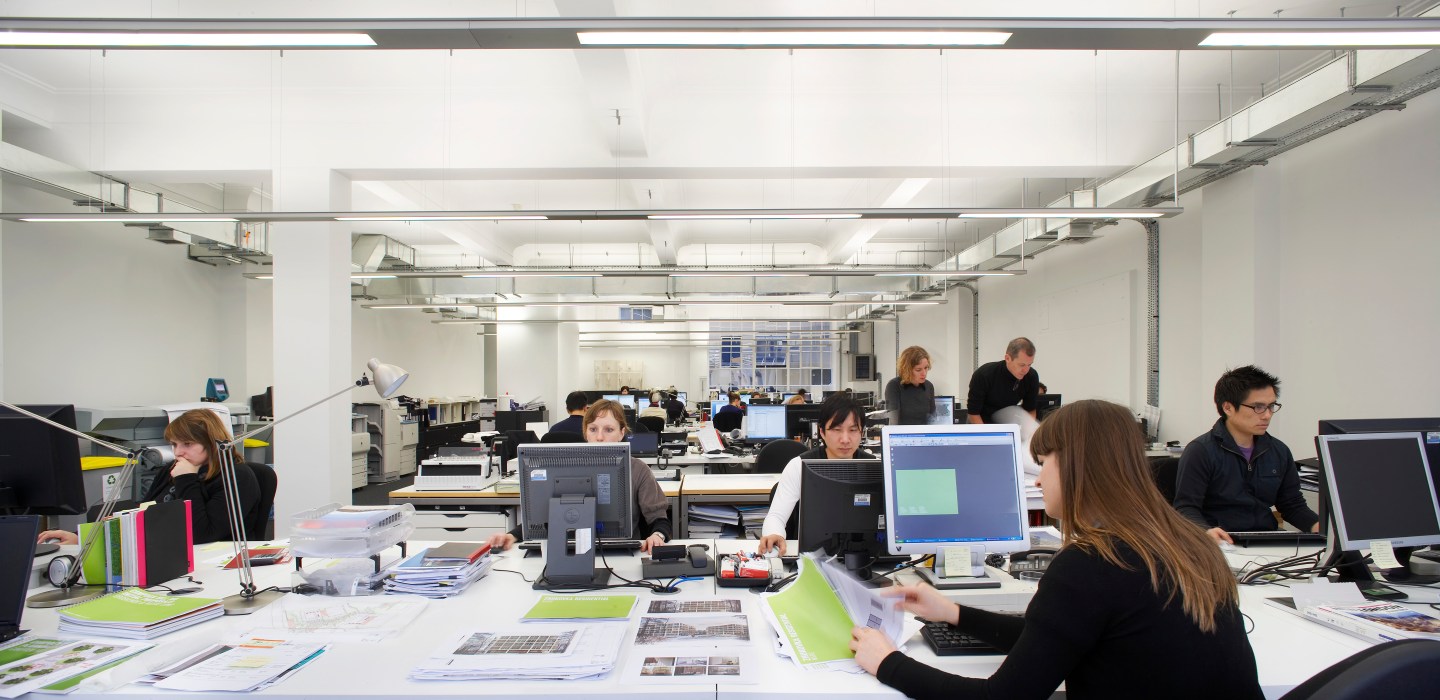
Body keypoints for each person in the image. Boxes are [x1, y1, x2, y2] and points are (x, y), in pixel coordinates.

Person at [849, 400, 1262, 700]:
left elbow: (1002, 698)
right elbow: (1054, 639)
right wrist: (952, 612)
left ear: (1077, 466)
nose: (1038, 479)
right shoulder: (1192, 544)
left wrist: (888, 663)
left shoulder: (1092, 563)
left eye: (1045, 461)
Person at [37, 408, 263, 546]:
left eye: (187, 444)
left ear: (212, 443)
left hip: (213, 564)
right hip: (166, 555)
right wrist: (84, 539)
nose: (178, 452)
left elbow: (202, 534)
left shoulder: (237, 476)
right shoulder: (172, 470)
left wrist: (187, 480)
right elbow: (143, 517)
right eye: (174, 444)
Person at [484, 399, 673, 554]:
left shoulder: (638, 469)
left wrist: (657, 536)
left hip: (622, 554)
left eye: (609, 430)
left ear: (621, 433)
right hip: (565, 552)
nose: (600, 437)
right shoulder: (564, 467)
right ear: (585, 432)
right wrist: (512, 536)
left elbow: (660, 520)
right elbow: (541, 517)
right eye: (593, 429)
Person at [1173, 365, 1318, 543]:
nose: (1267, 415)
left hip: (1266, 541)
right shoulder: (1200, 451)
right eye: (1258, 407)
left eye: (1271, 406)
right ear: (1228, 408)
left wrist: (1319, 526)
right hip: (1221, 543)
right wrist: (1205, 532)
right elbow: (1186, 508)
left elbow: (1292, 505)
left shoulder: (1278, 451)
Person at [758, 394, 875, 555]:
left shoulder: (875, 467)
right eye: (837, 430)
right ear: (822, 432)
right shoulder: (799, 465)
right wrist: (775, 534)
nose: (845, 439)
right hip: (809, 560)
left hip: (867, 558)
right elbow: (776, 516)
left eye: (853, 430)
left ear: (862, 432)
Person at [967, 337, 1041, 425]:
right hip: (981, 423)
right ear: (1007, 358)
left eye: (1029, 365)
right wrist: (986, 433)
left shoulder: (1031, 376)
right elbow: (973, 413)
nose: (1026, 370)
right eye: (1022, 365)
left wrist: (1028, 430)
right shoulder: (984, 375)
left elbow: (1030, 409)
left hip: (1008, 424)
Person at [884, 346, 935, 425]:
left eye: (926, 368)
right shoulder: (894, 386)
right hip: (902, 432)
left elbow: (933, 419)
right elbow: (893, 422)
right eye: (918, 370)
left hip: (925, 432)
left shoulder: (929, 386)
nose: (924, 373)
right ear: (907, 370)